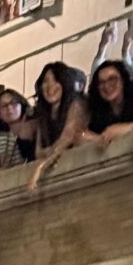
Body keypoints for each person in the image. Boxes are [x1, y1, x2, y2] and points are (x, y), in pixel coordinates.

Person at [28, 62, 87, 191]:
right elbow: (38, 152)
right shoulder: (42, 115)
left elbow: (67, 137)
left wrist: (41, 167)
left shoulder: (76, 104)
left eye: (56, 80)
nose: (50, 86)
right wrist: (52, 153)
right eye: (45, 81)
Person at [83, 60, 133, 146]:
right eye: (101, 82)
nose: (107, 86)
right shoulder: (95, 112)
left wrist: (127, 128)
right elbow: (81, 135)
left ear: (123, 80)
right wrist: (98, 138)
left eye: (112, 79)